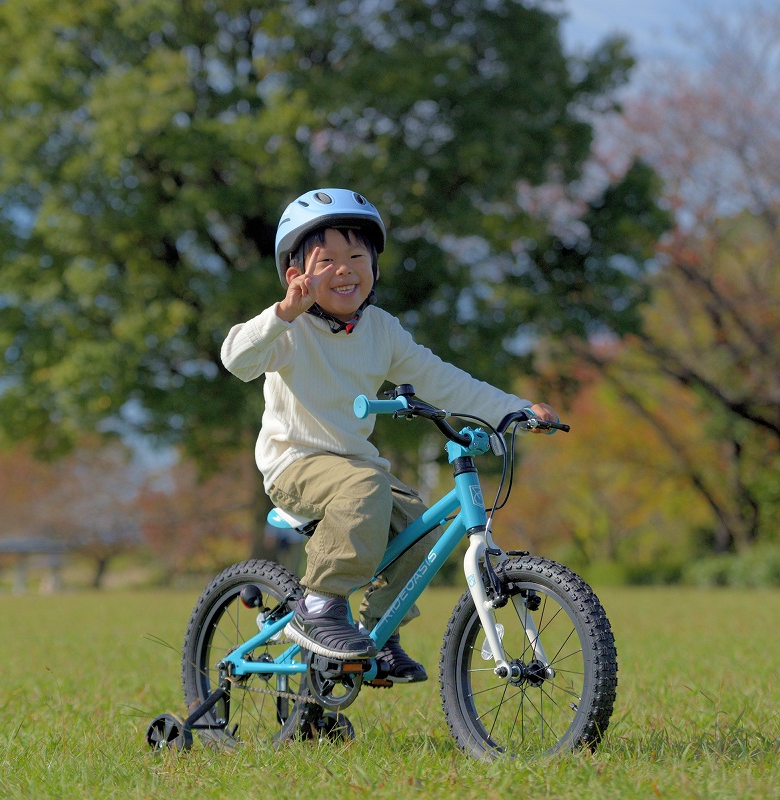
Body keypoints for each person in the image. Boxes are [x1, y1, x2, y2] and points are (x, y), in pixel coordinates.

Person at [221, 188, 560, 682]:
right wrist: (281, 314)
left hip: (355, 468)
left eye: (357, 257)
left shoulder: (381, 330)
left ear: (375, 269)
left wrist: (516, 409)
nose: (345, 269)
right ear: (296, 275)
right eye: (328, 260)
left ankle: (378, 632)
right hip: (294, 464)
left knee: (417, 524)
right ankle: (320, 604)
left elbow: (444, 381)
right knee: (365, 487)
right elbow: (236, 360)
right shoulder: (288, 331)